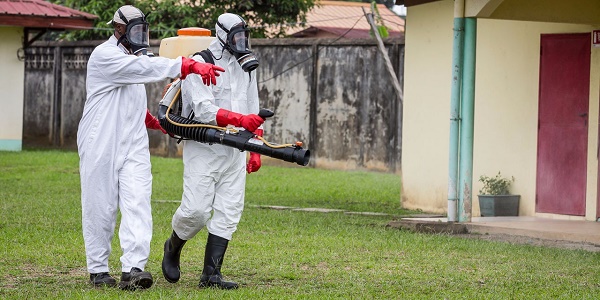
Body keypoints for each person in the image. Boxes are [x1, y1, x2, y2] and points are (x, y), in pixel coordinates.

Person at [77, 5, 224, 290]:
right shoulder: (104, 55)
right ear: (119, 30)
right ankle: (98, 269)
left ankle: (133, 269)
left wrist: (157, 122)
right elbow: (142, 69)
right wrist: (186, 64)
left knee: (138, 202)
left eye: (144, 31)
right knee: (101, 205)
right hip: (100, 141)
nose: (141, 37)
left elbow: (130, 100)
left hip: (133, 143)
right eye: (135, 30)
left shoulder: (134, 59)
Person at [160, 13, 264, 290]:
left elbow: (253, 107)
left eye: (244, 36)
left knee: (229, 210)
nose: (240, 42)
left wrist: (256, 148)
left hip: (236, 149)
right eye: (235, 37)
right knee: (196, 210)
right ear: (221, 35)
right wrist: (239, 120)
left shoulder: (247, 66)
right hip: (205, 147)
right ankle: (173, 246)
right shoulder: (201, 62)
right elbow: (204, 109)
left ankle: (211, 274)